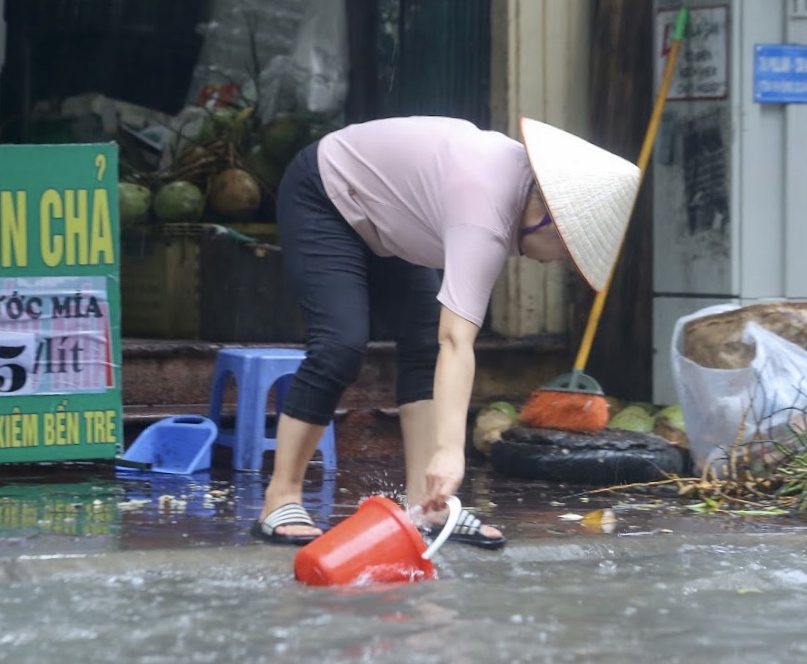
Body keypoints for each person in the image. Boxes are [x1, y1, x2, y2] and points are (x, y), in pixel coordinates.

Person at [250, 115, 640, 548]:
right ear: (547, 216)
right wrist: (451, 450)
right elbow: (456, 340)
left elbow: (440, 344)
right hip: (325, 192)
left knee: (422, 346)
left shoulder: (510, 195)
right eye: (567, 249)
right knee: (340, 345)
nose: (560, 262)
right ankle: (279, 498)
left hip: (389, 216)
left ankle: (427, 507)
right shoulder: (485, 213)